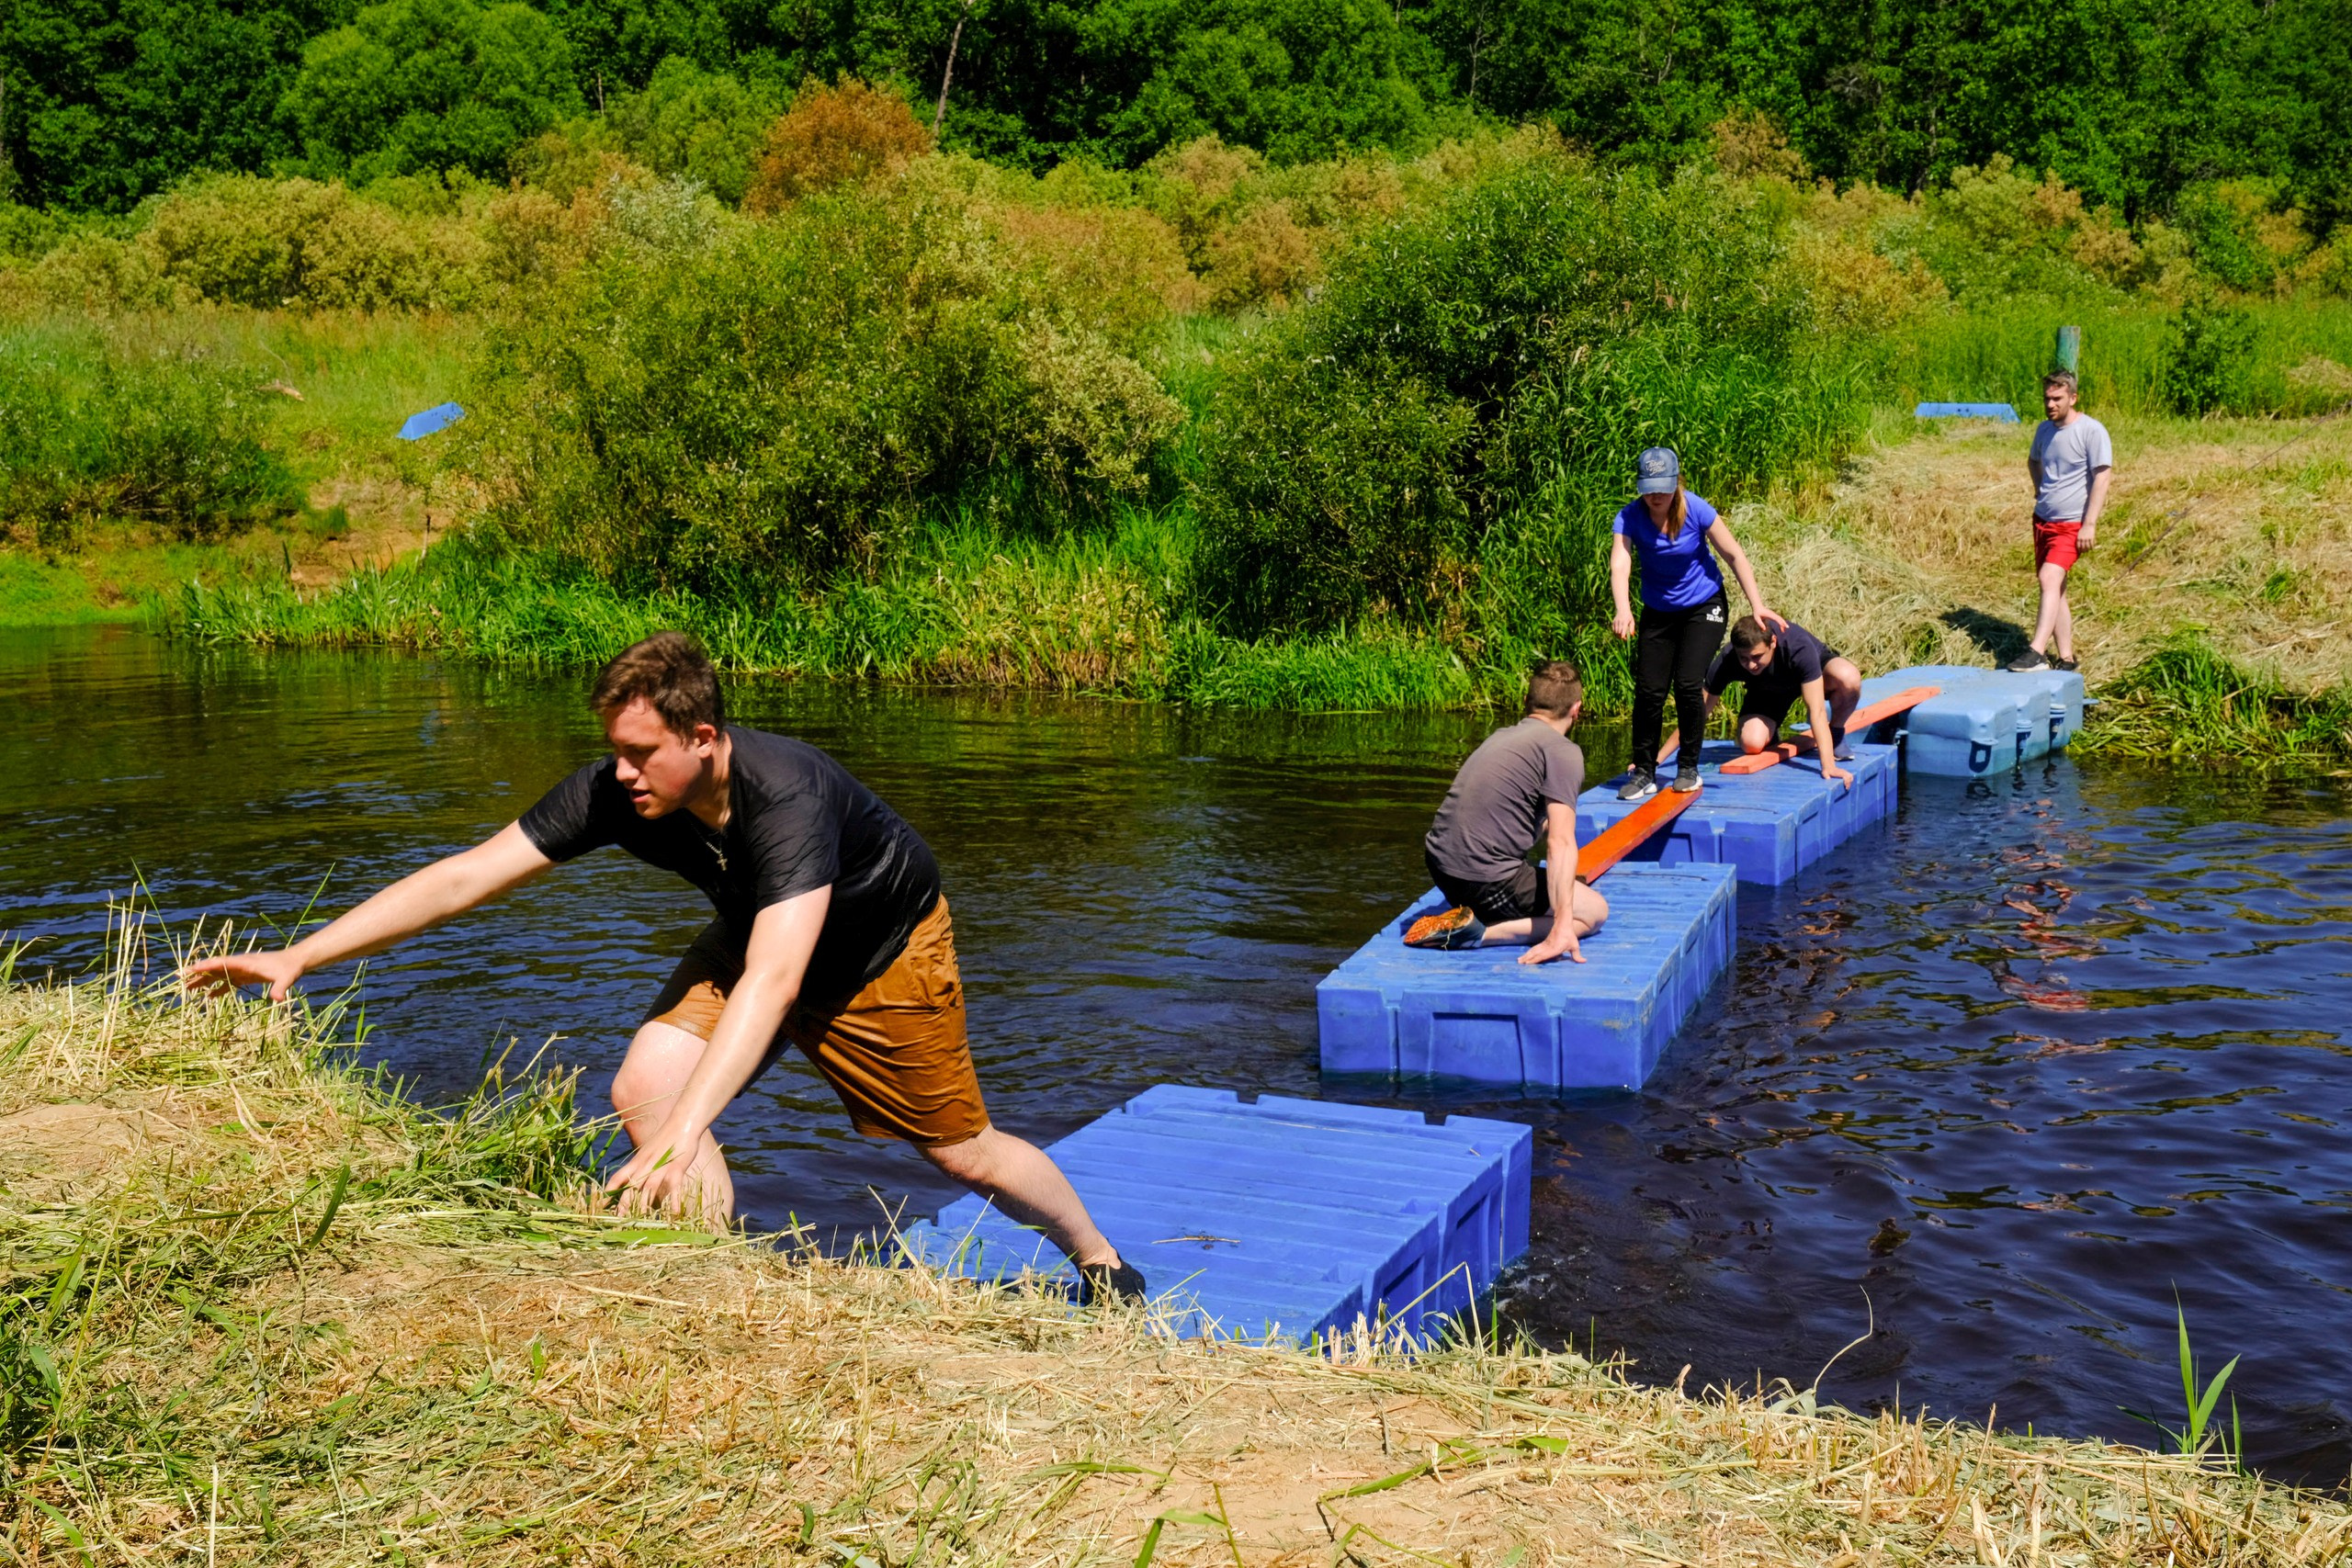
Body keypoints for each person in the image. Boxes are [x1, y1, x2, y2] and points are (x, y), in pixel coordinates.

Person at [181, 632, 1148, 1303]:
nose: (624, 775)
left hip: (878, 954)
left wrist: (692, 1129)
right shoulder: (619, 791)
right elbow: (469, 876)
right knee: (645, 1081)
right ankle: (713, 1278)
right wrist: (300, 955)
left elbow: (776, 985)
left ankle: (1102, 1261)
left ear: (704, 738)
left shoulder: (789, 799)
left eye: (643, 754)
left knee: (957, 1150)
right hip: (758, 927)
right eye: (614, 753)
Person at [1402, 660, 1611, 964]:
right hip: (1484, 879)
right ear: (1576, 709)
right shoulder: (1564, 751)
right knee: (1593, 912)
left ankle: (1475, 914)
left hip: (1441, 867)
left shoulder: (1503, 736)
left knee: (1565, 888)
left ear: (1526, 702)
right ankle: (1475, 935)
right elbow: (1561, 844)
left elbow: (1518, 817)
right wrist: (1563, 924)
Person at [1609, 446, 1783, 801]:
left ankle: (1688, 767)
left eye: (1663, 486)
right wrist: (1623, 609)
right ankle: (1644, 771)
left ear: (1676, 483)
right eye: (1649, 487)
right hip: (1659, 610)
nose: (1656, 495)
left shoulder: (1696, 509)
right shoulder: (1629, 517)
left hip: (1704, 603)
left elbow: (1734, 554)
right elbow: (1621, 563)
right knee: (1649, 690)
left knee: (1688, 683)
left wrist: (1757, 604)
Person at [2010, 369, 2111, 672]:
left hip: (2071, 525)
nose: (2050, 404)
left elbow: (2103, 475)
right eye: (2047, 399)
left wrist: (2089, 523)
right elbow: (2033, 461)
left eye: (2057, 398)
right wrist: (2041, 490)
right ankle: (2066, 657)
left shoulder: (2091, 431)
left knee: (2048, 579)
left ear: (2073, 397)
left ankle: (2037, 651)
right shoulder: (2044, 430)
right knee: (2057, 588)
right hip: (2043, 520)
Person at [1702, 615, 1859, 790]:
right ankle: (1770, 733)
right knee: (1751, 743)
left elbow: (1818, 711)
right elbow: (1698, 715)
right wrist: (1664, 756)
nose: (1751, 665)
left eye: (1757, 656)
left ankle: (1835, 733)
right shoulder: (1727, 658)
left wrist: (1829, 766)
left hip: (1808, 679)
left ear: (1773, 643)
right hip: (1769, 690)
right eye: (1744, 658)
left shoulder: (1798, 646)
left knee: (1847, 677)